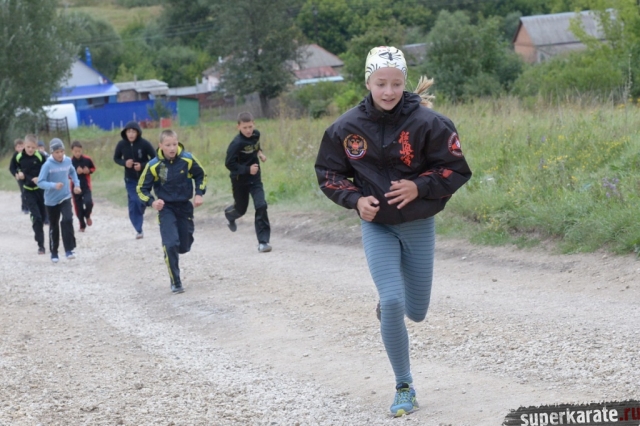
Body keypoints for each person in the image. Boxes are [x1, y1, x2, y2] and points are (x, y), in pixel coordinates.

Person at [314, 46, 472, 417]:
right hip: (378, 227)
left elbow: (456, 169)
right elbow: (329, 173)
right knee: (393, 301)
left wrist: (419, 186)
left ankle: (391, 307)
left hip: (418, 224)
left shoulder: (430, 123)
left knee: (416, 312)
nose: (388, 91)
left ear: (405, 83)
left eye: (396, 84)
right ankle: (404, 386)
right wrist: (355, 200)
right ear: (367, 82)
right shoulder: (345, 128)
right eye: (381, 83)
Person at [137, 129, 207, 294]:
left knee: (184, 245)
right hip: (166, 208)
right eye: (168, 145)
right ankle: (175, 281)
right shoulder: (154, 165)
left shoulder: (187, 159)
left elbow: (201, 175)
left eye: (174, 144)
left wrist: (199, 193)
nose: (172, 148)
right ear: (161, 145)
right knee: (170, 244)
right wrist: (152, 202)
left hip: (184, 207)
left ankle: (180, 247)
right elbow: (141, 188)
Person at [224, 112, 272, 253]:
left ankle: (263, 242)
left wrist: (260, 154)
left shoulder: (256, 134)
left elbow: (256, 146)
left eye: (250, 126)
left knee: (261, 205)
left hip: (255, 178)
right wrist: (247, 169)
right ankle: (230, 214)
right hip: (239, 180)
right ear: (238, 127)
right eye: (245, 127)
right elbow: (229, 164)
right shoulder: (236, 143)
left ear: (254, 124)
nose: (248, 130)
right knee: (241, 209)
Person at [37, 138, 82, 263]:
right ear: (52, 152)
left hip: (65, 196)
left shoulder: (67, 161)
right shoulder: (47, 165)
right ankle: (54, 252)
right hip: (51, 201)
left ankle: (69, 250)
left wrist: (77, 184)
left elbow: (72, 172)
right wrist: (53, 185)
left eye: (62, 151)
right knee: (54, 225)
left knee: (67, 220)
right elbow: (40, 182)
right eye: (57, 152)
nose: (60, 154)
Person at [113, 121, 156, 239]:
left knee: (140, 201)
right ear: (125, 133)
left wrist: (142, 165)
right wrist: (124, 163)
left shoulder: (144, 144)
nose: (131, 134)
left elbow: (155, 158)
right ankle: (139, 229)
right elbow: (116, 158)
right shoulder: (121, 144)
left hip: (144, 179)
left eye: (133, 132)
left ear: (138, 133)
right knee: (135, 200)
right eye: (128, 132)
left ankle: (142, 207)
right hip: (130, 179)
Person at [9, 134, 47, 254]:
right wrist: (17, 173)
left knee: (42, 217)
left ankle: (38, 231)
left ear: (36, 147)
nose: (30, 149)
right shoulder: (19, 156)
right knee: (37, 218)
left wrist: (41, 178)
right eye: (28, 147)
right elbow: (12, 167)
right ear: (24, 145)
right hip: (28, 190)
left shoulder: (40, 156)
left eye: (33, 147)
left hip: (40, 190)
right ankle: (41, 245)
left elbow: (48, 169)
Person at [70, 141, 96, 232]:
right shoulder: (69, 162)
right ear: (72, 151)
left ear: (82, 150)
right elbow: (66, 174)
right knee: (78, 207)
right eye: (75, 151)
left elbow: (93, 168)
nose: (78, 153)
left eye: (79, 151)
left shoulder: (87, 159)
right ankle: (82, 225)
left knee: (89, 202)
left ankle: (87, 215)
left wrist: (88, 171)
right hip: (75, 188)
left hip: (86, 186)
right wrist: (75, 173)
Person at [8, 138, 29, 214]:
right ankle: (25, 207)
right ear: (15, 148)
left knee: (29, 191)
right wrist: (15, 174)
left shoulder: (27, 154)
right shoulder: (15, 156)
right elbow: (11, 167)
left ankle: (30, 205)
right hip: (20, 177)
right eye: (18, 147)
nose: (20, 148)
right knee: (23, 191)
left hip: (27, 176)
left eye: (22, 146)